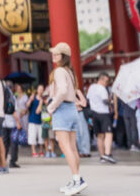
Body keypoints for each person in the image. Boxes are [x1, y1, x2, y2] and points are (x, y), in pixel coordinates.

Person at [47, 42, 86, 196]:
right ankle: (75, 178)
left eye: (56, 54)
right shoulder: (70, 71)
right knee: (72, 147)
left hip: (62, 109)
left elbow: (62, 91)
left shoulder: (58, 72)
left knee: (65, 147)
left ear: (63, 56)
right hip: (71, 109)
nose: (53, 56)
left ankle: (77, 180)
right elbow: (70, 90)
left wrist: (52, 106)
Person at [87, 73, 116, 163]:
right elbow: (105, 101)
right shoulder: (102, 89)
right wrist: (111, 101)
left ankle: (102, 156)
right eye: (107, 81)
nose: (107, 83)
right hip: (103, 113)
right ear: (102, 79)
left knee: (100, 135)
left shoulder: (91, 87)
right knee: (108, 133)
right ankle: (107, 154)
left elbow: (88, 99)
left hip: (94, 113)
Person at [26, 85, 44, 158]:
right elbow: (27, 105)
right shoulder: (33, 98)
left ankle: (41, 151)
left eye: (42, 89)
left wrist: (42, 102)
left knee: (41, 137)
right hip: (32, 120)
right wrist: (30, 99)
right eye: (39, 89)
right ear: (37, 90)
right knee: (32, 136)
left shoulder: (43, 99)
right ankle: (33, 151)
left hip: (41, 120)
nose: (41, 91)